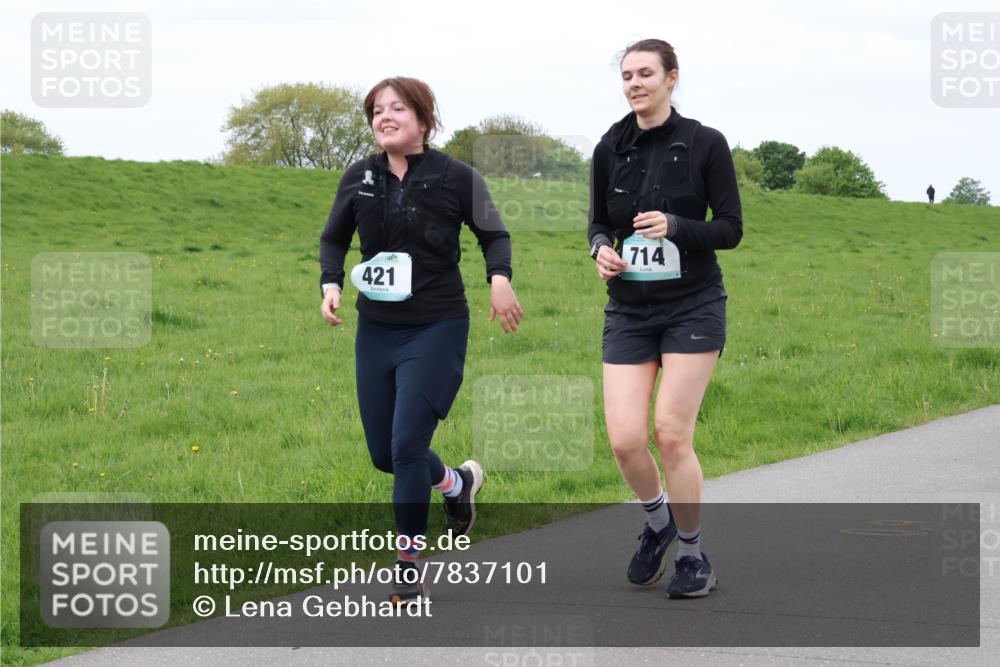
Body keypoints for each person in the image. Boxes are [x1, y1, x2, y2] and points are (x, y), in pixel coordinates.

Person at [319, 77, 523, 605]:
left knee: (407, 446)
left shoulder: (456, 176)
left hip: (437, 326)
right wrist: (331, 283)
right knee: (387, 457)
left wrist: (498, 278)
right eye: (376, 110)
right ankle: (457, 486)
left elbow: (494, 235)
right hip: (377, 331)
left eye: (397, 108)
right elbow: (334, 238)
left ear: (424, 120)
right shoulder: (359, 177)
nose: (384, 116)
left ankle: (407, 565)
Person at [587, 39, 743, 599]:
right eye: (626, 75)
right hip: (630, 309)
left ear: (672, 78)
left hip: (693, 305)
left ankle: (693, 554)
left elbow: (730, 228)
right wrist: (601, 250)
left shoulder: (705, 143)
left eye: (645, 73)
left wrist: (677, 226)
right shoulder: (610, 145)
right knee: (626, 441)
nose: (634, 83)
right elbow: (597, 224)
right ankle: (658, 522)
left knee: (671, 432)